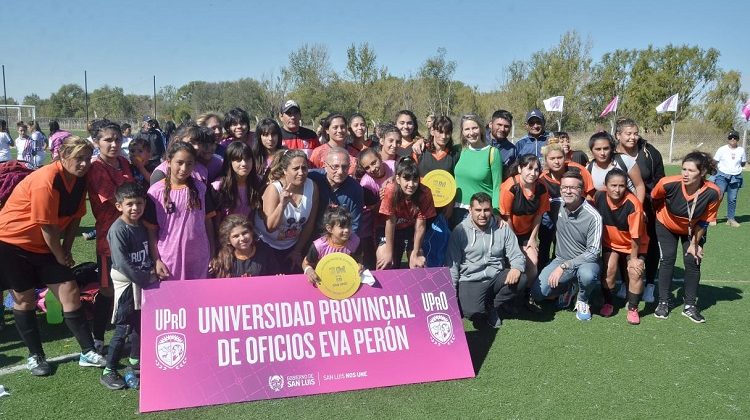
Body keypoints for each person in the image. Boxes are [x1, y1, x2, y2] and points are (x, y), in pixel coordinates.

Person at [0, 136, 106, 376]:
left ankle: (88, 351)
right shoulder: (45, 180)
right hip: (12, 243)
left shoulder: (80, 180)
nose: (84, 164)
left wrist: (67, 249)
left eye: (87, 158)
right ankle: (36, 356)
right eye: (78, 158)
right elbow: (47, 227)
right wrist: (60, 255)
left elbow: (76, 217)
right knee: (24, 298)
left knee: (69, 290)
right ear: (62, 156)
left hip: (45, 245)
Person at [651, 152, 721, 323]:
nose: (685, 174)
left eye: (691, 170)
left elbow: (705, 221)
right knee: (667, 259)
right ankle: (663, 302)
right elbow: (654, 198)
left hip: (694, 229)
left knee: (693, 260)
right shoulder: (667, 184)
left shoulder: (714, 192)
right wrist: (662, 216)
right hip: (666, 224)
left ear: (702, 172)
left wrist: (695, 243)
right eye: (683, 169)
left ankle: (689, 306)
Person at [101, 182, 156, 390]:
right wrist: (144, 277)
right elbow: (122, 263)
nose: (135, 208)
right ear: (119, 206)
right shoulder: (118, 229)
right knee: (123, 327)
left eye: (139, 203)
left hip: (141, 281)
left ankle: (135, 360)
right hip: (127, 284)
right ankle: (109, 370)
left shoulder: (141, 225)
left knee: (139, 322)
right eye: (130, 204)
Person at [86, 120, 134, 353]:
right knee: (107, 290)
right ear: (96, 142)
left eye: (117, 139)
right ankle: (97, 337)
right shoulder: (97, 168)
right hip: (109, 239)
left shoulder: (124, 162)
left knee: (129, 288)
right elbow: (116, 201)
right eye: (108, 140)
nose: (114, 144)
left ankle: (128, 336)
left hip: (131, 234)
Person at [446, 192, 527, 328]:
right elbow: (452, 265)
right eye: (478, 210)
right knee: (473, 314)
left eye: (486, 210)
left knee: (522, 278)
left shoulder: (502, 228)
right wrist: (451, 294)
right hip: (470, 280)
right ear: (470, 210)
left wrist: (516, 268)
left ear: (491, 210)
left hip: (495, 276)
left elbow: (516, 254)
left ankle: (492, 306)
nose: (482, 214)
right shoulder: (459, 231)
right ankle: (479, 304)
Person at [531, 171, 602, 321]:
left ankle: (583, 299)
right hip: (561, 259)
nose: (568, 191)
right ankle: (570, 287)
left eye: (573, 188)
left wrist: (565, 266)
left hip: (585, 263)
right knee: (539, 293)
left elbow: (594, 252)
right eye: (564, 187)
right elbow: (534, 209)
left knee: (587, 276)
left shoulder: (594, 216)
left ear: (581, 190)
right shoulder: (556, 205)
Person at [145, 141, 217, 281]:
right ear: (168, 162)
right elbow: (151, 231)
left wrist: (212, 251)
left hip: (199, 256)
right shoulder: (155, 193)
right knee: (174, 299)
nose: (184, 168)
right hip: (169, 258)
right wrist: (156, 260)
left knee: (199, 298)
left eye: (189, 163)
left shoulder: (201, 188)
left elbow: (208, 222)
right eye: (179, 162)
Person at [614, 118, 664, 301]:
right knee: (622, 244)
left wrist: (646, 206)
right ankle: (625, 283)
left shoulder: (650, 153)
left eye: (635, 133)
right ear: (618, 135)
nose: (633, 137)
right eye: (628, 134)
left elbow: (660, 182)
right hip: (620, 209)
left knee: (649, 244)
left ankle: (650, 283)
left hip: (647, 208)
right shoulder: (611, 154)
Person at [592, 169, 648, 324]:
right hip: (612, 242)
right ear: (605, 185)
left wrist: (634, 259)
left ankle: (633, 308)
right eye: (613, 185)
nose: (617, 190)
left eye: (621, 186)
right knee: (609, 270)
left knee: (634, 272)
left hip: (634, 244)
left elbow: (636, 236)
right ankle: (608, 302)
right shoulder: (599, 197)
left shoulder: (633, 204)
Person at [254, 149, 319, 274]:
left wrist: (297, 251)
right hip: (266, 244)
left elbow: (309, 225)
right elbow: (271, 227)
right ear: (285, 171)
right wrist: (282, 204)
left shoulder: (312, 187)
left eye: (304, 168)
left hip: (292, 246)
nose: (301, 173)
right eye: (296, 169)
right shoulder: (274, 189)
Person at [500, 154, 549, 310]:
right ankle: (507, 297)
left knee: (532, 263)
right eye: (529, 168)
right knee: (511, 263)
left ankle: (527, 296)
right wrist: (513, 243)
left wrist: (533, 238)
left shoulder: (541, 187)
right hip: (508, 231)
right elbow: (506, 217)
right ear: (520, 169)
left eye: (536, 170)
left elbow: (539, 215)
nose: (532, 173)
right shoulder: (510, 187)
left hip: (528, 232)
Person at [538, 143, 595, 272]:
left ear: (565, 157)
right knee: (545, 243)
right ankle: (542, 274)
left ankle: (575, 272)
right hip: (551, 216)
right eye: (552, 159)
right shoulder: (542, 179)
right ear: (546, 160)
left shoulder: (578, 170)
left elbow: (591, 195)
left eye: (559, 157)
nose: (557, 162)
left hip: (577, 215)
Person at [376, 157, 436, 269]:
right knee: (385, 261)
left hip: (410, 229)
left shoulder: (425, 193)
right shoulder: (390, 190)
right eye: (406, 179)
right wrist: (389, 252)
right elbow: (390, 222)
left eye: (415, 179)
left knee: (418, 264)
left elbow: (420, 225)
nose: (411, 184)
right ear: (398, 179)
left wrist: (416, 252)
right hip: (388, 228)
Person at [452, 114, 502, 227]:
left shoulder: (492, 153)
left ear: (481, 129)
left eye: (474, 128)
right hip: (458, 211)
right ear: (462, 132)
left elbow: (497, 186)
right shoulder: (459, 150)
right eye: (467, 129)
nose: (471, 132)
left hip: (481, 212)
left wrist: (495, 211)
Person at [307, 147, 364, 236]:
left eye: (345, 167)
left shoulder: (355, 189)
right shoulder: (311, 177)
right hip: (309, 236)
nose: (340, 171)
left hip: (339, 240)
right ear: (325, 165)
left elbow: (354, 225)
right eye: (335, 166)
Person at [302, 206, 362, 286]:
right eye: (342, 227)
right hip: (323, 283)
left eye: (348, 226)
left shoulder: (355, 241)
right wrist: (309, 270)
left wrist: (359, 266)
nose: (347, 230)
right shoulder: (318, 246)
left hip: (345, 283)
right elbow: (305, 263)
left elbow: (358, 259)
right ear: (329, 228)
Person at [210, 214, 280, 278]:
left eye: (245, 233)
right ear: (228, 240)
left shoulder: (265, 251)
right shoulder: (223, 257)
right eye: (236, 236)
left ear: (251, 232)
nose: (242, 238)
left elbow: (274, 275)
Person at [357, 148, 394, 269]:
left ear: (380, 157)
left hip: (403, 219)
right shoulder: (366, 183)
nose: (372, 169)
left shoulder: (394, 166)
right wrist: (382, 200)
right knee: (382, 261)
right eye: (367, 167)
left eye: (374, 162)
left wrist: (394, 180)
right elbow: (373, 210)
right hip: (379, 223)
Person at [587, 131, 646, 203]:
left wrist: (639, 208)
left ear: (611, 149)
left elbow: (639, 185)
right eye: (598, 149)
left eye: (606, 148)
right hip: (606, 211)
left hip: (630, 208)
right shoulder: (589, 169)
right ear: (591, 151)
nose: (602, 153)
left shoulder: (624, 160)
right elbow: (590, 195)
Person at [150, 125, 220, 185]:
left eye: (200, 143)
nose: (197, 147)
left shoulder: (202, 170)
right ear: (177, 141)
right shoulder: (161, 174)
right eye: (191, 142)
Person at [212, 141, 261, 224]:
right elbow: (216, 219)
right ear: (229, 162)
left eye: (247, 159)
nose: (244, 164)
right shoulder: (219, 186)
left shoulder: (257, 182)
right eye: (238, 160)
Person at [712, 130, 746, 227]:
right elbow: (715, 161)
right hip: (722, 176)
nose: (732, 139)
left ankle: (731, 219)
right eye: (730, 138)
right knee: (719, 195)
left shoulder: (741, 150)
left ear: (738, 139)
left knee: (732, 198)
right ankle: (712, 217)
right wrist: (714, 171)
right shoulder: (722, 149)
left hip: (736, 177)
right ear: (728, 139)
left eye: (735, 138)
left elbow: (743, 162)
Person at [253, 118, 284, 185]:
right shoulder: (253, 157)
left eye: (273, 134)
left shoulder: (285, 156)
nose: (270, 139)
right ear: (259, 137)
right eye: (266, 135)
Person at [487, 109, 517, 178]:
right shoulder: (480, 143)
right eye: (499, 125)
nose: (502, 129)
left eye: (506, 126)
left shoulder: (512, 150)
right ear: (491, 124)